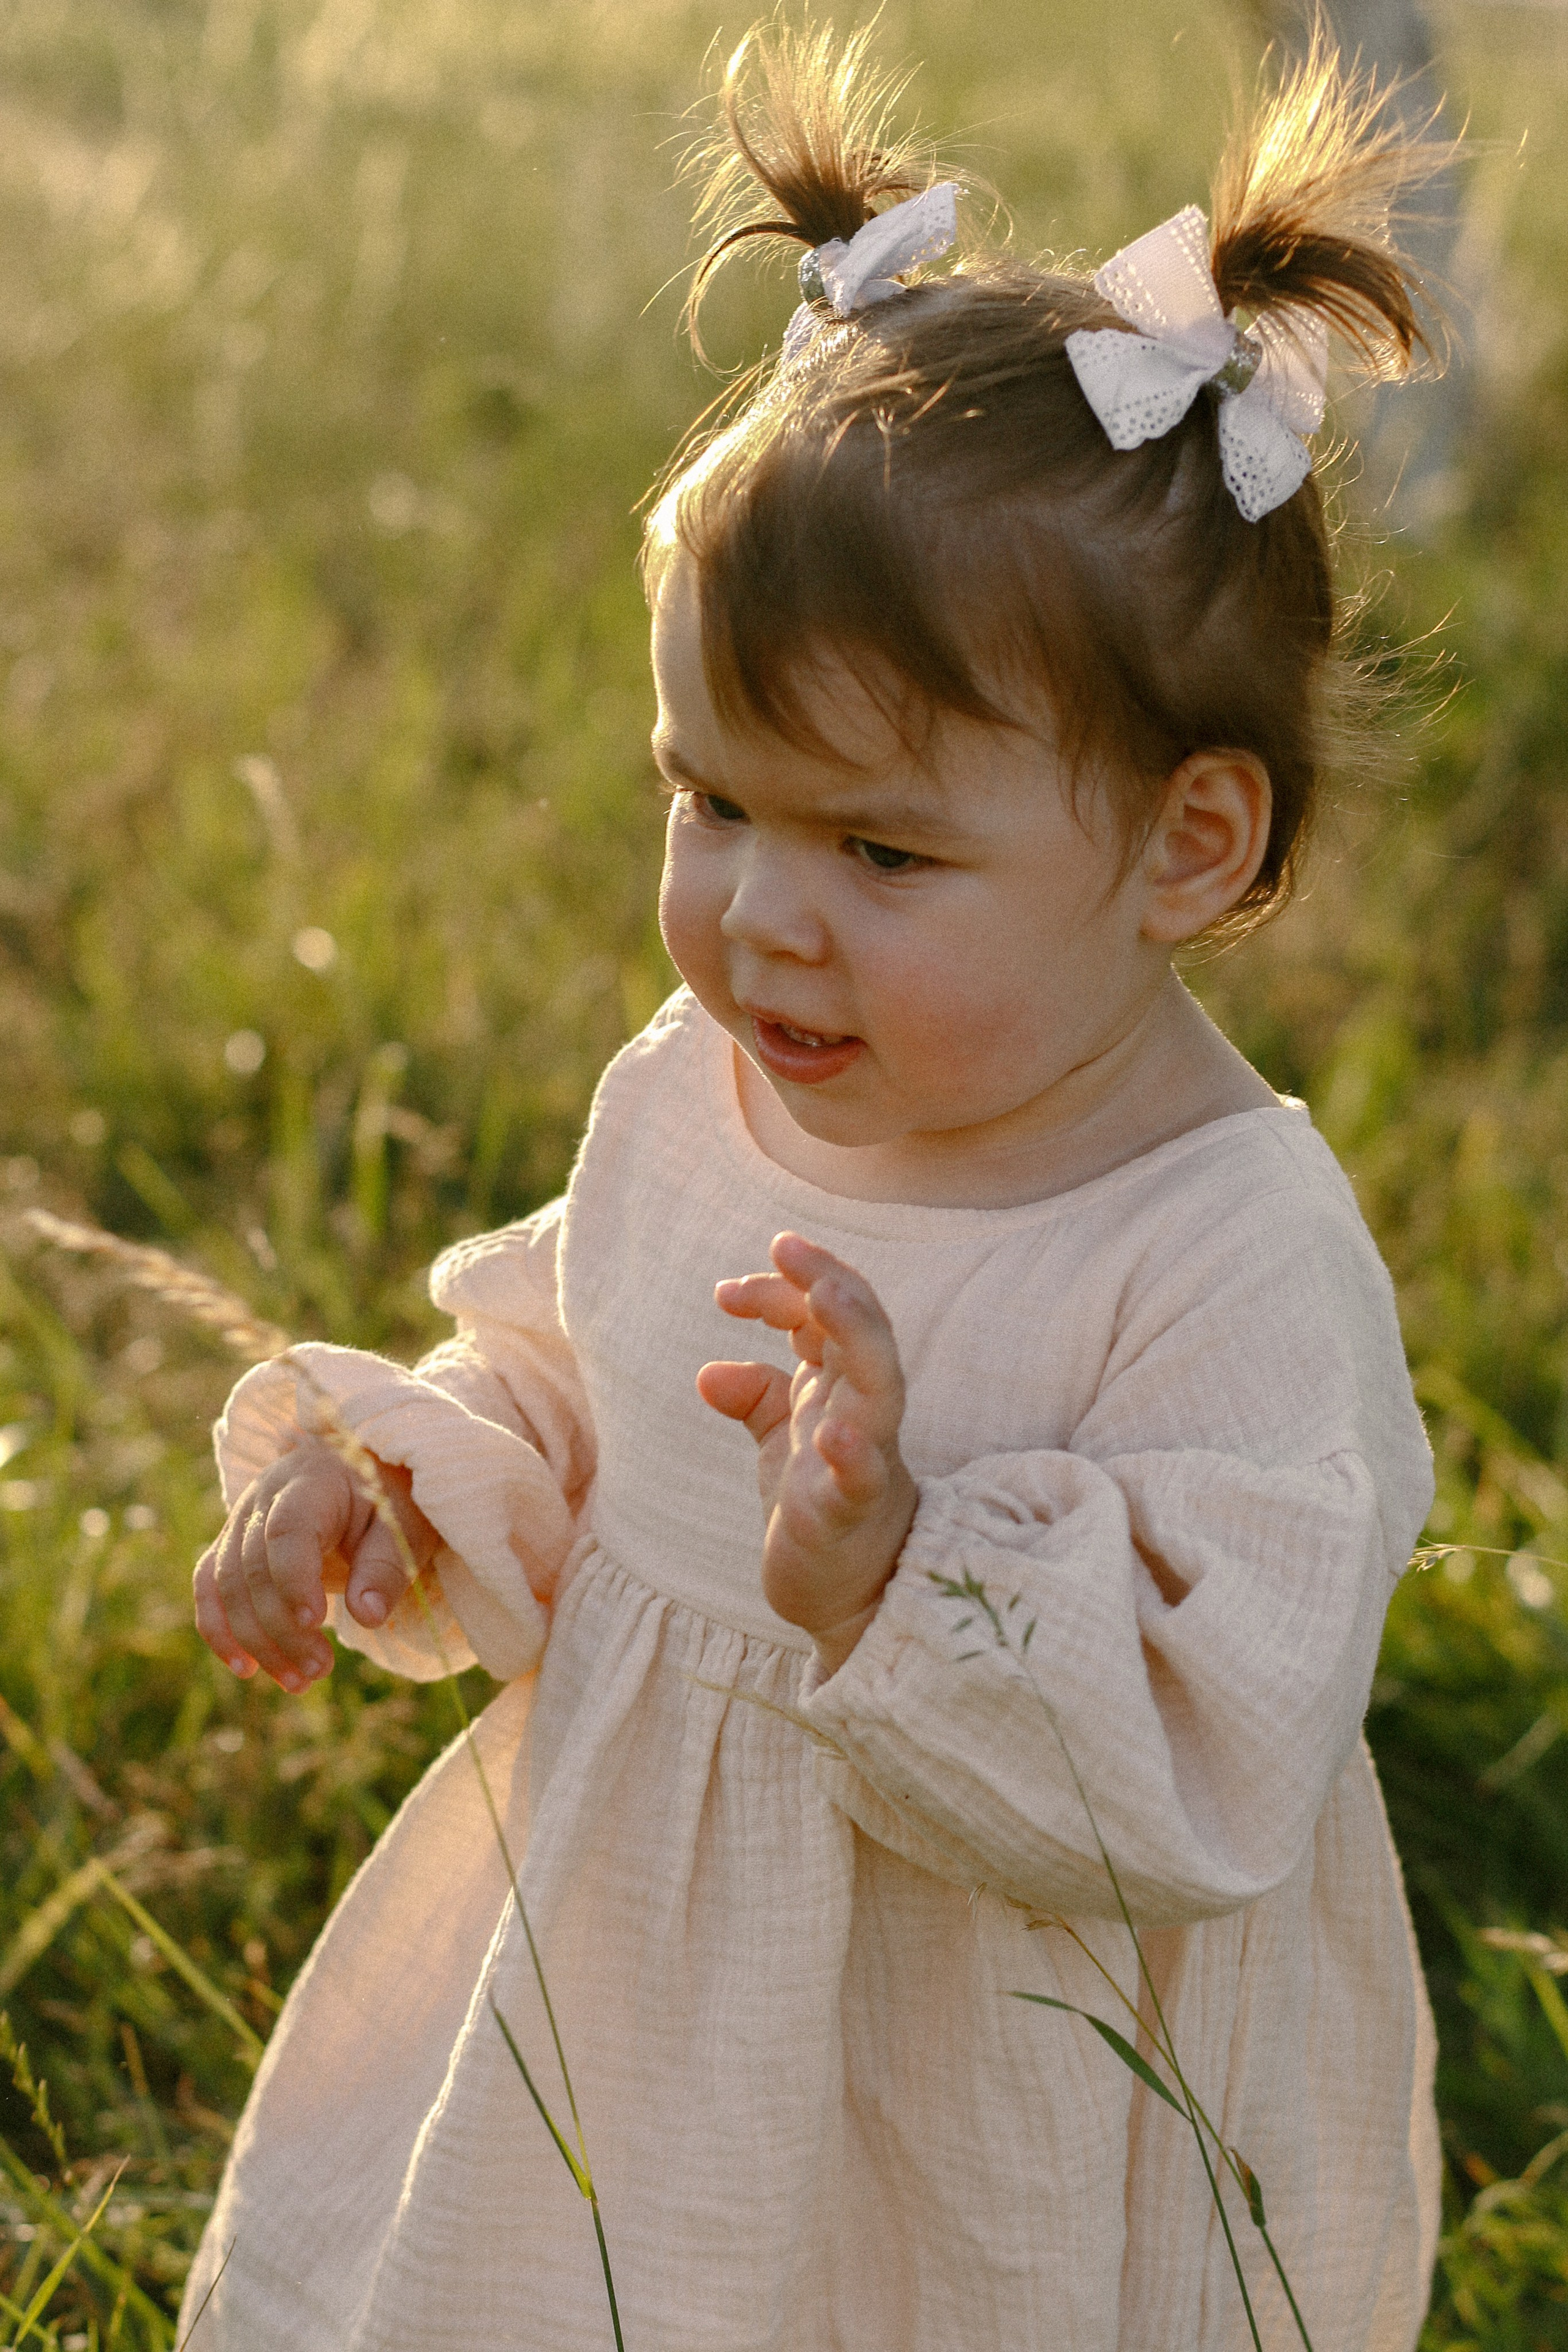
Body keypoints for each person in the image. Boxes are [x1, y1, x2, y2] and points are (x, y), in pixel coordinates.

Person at [180, 21, 1447, 2350]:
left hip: (1013, 2088)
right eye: (714, 802)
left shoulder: (1224, 1251)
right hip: (641, 1999)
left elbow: (1217, 1740)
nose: (764, 915)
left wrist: (900, 1572)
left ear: (1189, 845)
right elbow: (577, 1366)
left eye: (879, 848)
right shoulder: (699, 1093)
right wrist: (410, 1471)